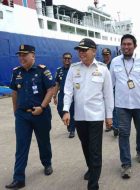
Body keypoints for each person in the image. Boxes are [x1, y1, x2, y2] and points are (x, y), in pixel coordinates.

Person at [62, 38, 114, 190]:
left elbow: (108, 95)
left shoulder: (103, 69)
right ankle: (91, 169)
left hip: (96, 116)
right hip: (79, 116)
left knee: (95, 150)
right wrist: (66, 110)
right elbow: (68, 91)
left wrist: (109, 116)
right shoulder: (73, 68)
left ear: (93, 51)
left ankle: (93, 185)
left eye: (84, 50)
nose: (81, 53)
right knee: (85, 146)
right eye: (79, 50)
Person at [6, 45, 54, 189]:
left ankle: (47, 163)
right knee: (21, 146)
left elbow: (51, 89)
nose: (21, 58)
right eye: (19, 55)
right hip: (22, 115)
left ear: (32, 55)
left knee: (43, 141)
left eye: (24, 55)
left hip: (41, 114)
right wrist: (16, 111)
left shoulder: (42, 70)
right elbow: (14, 93)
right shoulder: (17, 72)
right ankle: (19, 178)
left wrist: (42, 107)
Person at [110, 34, 140, 179]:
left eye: (129, 44)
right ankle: (126, 164)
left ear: (134, 46)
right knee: (124, 133)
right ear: (121, 46)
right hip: (122, 104)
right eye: (124, 44)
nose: (126, 47)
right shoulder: (115, 62)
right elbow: (110, 82)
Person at [53, 52, 75, 138]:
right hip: (62, 93)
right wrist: (54, 96)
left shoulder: (74, 70)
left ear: (71, 60)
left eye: (69, 58)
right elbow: (57, 84)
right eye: (65, 58)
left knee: (71, 111)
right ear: (62, 59)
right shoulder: (59, 70)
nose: (67, 60)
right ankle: (69, 123)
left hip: (72, 94)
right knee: (60, 109)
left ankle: (72, 130)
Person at [102, 48, 119, 136]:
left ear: (110, 55)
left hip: (113, 89)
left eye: (107, 54)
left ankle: (116, 126)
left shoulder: (114, 64)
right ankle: (109, 125)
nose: (106, 56)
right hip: (103, 90)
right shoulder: (101, 65)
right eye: (104, 55)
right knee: (105, 107)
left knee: (113, 108)